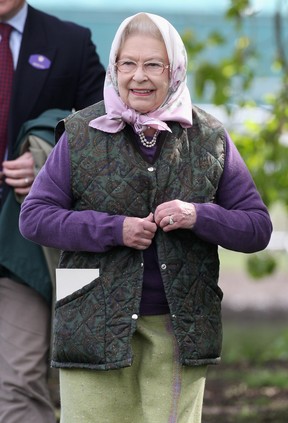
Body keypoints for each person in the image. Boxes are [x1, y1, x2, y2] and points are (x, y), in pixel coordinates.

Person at [19, 12, 273, 423]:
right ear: (114, 68)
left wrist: (197, 215)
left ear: (175, 70)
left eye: (154, 64)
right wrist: (113, 229)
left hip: (180, 327)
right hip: (91, 321)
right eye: (128, 63)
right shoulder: (81, 132)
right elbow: (34, 218)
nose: (139, 76)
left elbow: (257, 228)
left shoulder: (209, 137)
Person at [0, 1, 105, 422]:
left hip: (25, 249)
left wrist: (45, 160)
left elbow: (106, 127)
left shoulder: (70, 42)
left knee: (18, 385)